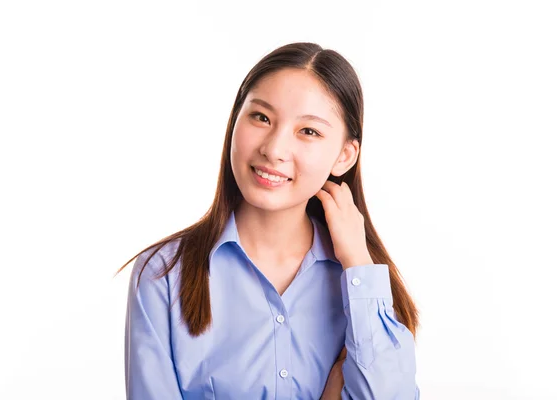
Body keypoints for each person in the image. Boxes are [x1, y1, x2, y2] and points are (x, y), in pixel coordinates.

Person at [116, 42, 420, 399]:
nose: (273, 149)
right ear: (235, 120)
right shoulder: (163, 274)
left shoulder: (363, 285)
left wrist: (357, 261)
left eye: (309, 131)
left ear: (344, 156)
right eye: (261, 117)